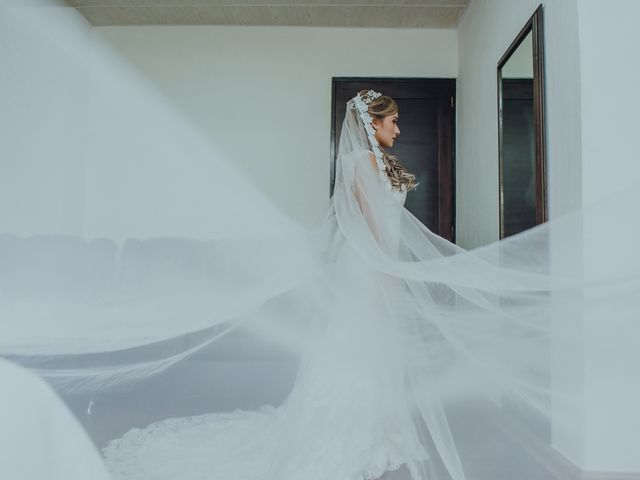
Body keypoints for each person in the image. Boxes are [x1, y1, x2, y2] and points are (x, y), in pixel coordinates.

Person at [2, 89, 639, 480]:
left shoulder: (371, 162)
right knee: (359, 358)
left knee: (369, 361)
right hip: (370, 276)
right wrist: (393, 280)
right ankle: (346, 438)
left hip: (375, 275)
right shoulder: (365, 165)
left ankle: (373, 431)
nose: (393, 130)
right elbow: (369, 234)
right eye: (388, 122)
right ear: (374, 124)